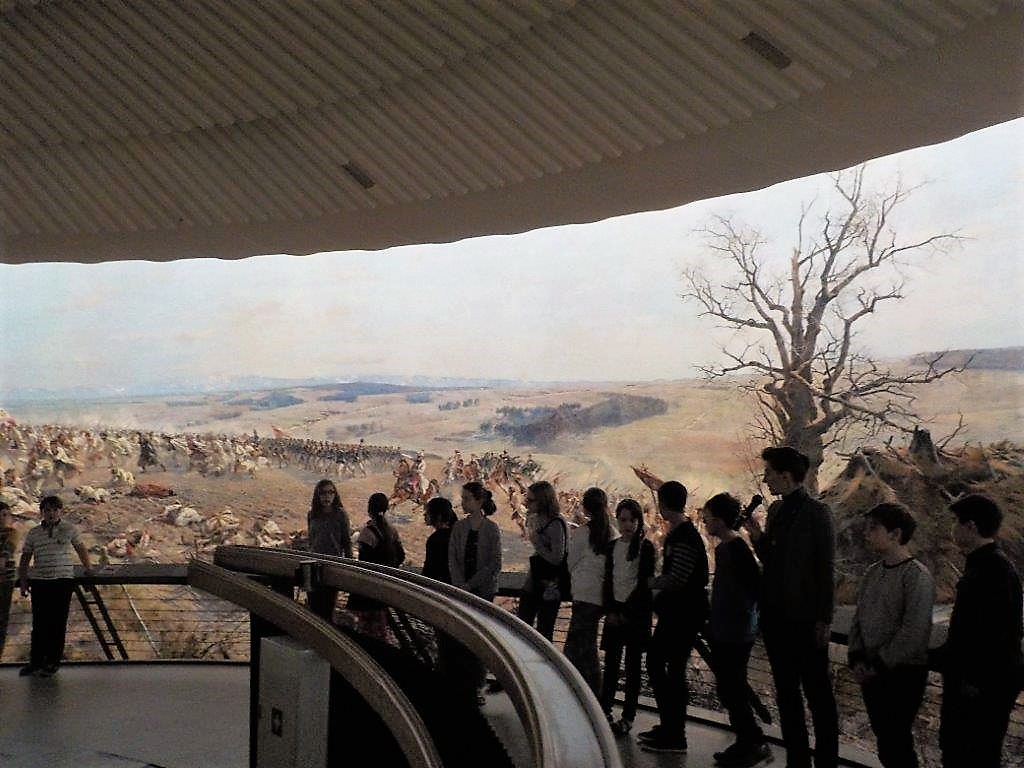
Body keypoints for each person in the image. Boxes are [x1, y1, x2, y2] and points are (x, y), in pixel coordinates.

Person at [743, 446, 838, 768]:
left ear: (786, 476)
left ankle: (825, 761)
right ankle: (797, 761)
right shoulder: (777, 511)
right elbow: (771, 560)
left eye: (769, 473)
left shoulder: (818, 514)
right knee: (786, 694)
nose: (766, 479)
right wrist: (757, 535)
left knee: (818, 695)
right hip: (776, 617)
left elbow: (826, 569)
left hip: (806, 619)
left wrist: (824, 618)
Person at [937, 494, 1023, 768]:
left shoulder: (990, 570)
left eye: (956, 522)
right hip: (983, 683)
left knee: (970, 753)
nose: (952, 528)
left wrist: (972, 679)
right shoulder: (992, 566)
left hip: (980, 687)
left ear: (970, 526)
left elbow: (992, 633)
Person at [847, 502, 934, 768]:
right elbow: (859, 618)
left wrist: (877, 664)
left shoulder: (916, 576)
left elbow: (914, 631)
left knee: (897, 740)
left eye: (874, 528)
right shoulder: (873, 572)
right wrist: (857, 657)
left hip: (902, 674)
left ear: (896, 534)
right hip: (872, 670)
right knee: (885, 739)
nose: (867, 534)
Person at [637, 481, 709, 754]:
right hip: (681, 612)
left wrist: (650, 583)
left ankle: (674, 731)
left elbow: (677, 578)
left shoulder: (683, 537)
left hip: (682, 614)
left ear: (663, 503)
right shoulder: (683, 534)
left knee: (663, 665)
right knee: (667, 667)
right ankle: (670, 726)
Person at [701, 493, 771, 768]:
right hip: (729, 628)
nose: (705, 521)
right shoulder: (731, 548)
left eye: (707, 517)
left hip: (734, 630)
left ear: (719, 520)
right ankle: (747, 739)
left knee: (732, 688)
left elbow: (753, 588)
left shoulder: (735, 549)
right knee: (731, 688)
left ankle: (751, 741)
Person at [18, 495, 92, 676]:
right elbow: (25, 557)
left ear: (60, 511)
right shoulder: (34, 533)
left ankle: (52, 662)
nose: (51, 513)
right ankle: (36, 662)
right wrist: (24, 581)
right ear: (42, 513)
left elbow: (81, 548)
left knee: (58, 623)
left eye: (54, 510)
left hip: (62, 581)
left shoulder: (69, 529)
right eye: (47, 510)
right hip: (40, 581)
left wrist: (88, 568)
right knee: (39, 624)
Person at [599, 498, 655, 738]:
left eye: (632, 520)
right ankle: (604, 710)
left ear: (639, 521)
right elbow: (608, 580)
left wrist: (624, 613)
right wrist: (611, 610)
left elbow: (644, 584)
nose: (628, 525)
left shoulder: (646, 548)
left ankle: (628, 716)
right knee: (611, 665)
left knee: (632, 667)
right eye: (623, 520)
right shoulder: (612, 547)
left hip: (635, 615)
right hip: (616, 611)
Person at [448, 481, 502, 703]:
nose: (463, 502)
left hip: (482, 592)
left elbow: (494, 563)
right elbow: (452, 558)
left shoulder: (492, 529)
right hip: (463, 590)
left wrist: (469, 584)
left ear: (479, 501)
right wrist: (460, 584)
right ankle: (463, 684)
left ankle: (478, 685)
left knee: (479, 641)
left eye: (467, 499)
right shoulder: (459, 527)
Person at [564, 487, 614, 695]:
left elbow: (570, 562)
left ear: (585, 507)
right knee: (585, 646)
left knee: (578, 649)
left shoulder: (583, 533)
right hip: (600, 596)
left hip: (584, 594)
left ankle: (587, 694)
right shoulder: (612, 533)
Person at [347, 493, 405, 640]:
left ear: (369, 510)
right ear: (386, 509)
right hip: (385, 585)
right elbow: (401, 556)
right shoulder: (392, 531)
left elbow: (364, 563)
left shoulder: (367, 533)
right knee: (379, 625)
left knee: (366, 629)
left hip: (369, 587)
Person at [517, 480, 567, 642]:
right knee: (522, 627)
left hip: (549, 584)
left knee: (544, 632)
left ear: (543, 500)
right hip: (534, 580)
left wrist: (538, 544)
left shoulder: (556, 523)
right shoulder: (534, 519)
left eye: (531, 500)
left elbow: (557, 558)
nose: (526, 503)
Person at [306, 479, 353, 622]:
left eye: (331, 492)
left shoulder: (340, 515)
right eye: (323, 493)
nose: (327, 496)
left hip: (332, 565)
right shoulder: (312, 515)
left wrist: (349, 568)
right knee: (313, 608)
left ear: (335, 495)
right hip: (314, 565)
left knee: (327, 607)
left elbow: (346, 542)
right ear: (318, 495)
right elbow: (311, 540)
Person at [423, 496, 457, 585]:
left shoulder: (436, 539)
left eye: (428, 512)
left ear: (438, 516)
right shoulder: (456, 533)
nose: (424, 514)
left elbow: (430, 570)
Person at [1, 502, 18, 658]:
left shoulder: (11, 533)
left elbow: (5, 555)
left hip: (4, 582)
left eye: (6, 515)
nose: (3, 518)